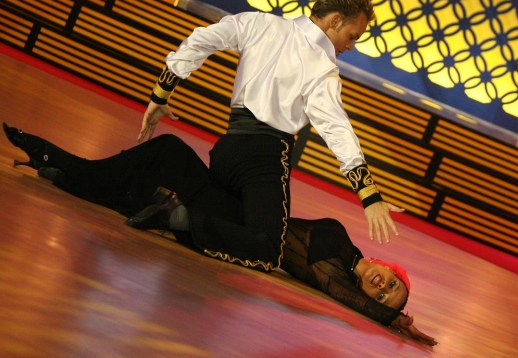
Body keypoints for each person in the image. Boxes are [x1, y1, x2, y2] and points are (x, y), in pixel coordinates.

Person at [3, 123, 436, 346]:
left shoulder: (334, 274)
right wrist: (389, 313)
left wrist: (391, 319)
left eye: (382, 297)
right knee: (164, 153)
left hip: (225, 220)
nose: (381, 289)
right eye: (392, 285)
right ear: (389, 267)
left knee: (147, 176)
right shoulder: (343, 246)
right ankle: (61, 169)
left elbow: (341, 293)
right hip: (228, 205)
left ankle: (56, 163)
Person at [137, 0, 405, 272]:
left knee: (234, 220)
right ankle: (175, 216)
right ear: (335, 20)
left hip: (226, 150)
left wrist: (161, 93)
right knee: (267, 250)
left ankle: (177, 210)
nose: (350, 46)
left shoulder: (260, 22)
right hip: (264, 159)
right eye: (352, 36)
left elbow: (201, 39)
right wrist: (369, 196)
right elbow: (337, 129)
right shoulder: (322, 66)